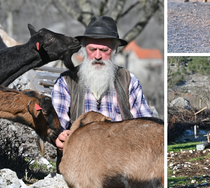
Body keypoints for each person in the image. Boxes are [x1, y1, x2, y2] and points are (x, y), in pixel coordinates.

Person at [51, 16, 153, 169]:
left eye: (104, 50)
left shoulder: (128, 80)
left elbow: (146, 124)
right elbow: (57, 123)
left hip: (121, 162)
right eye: (92, 49)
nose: (97, 56)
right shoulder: (67, 81)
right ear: (85, 49)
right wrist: (58, 135)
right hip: (80, 161)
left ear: (115, 50)